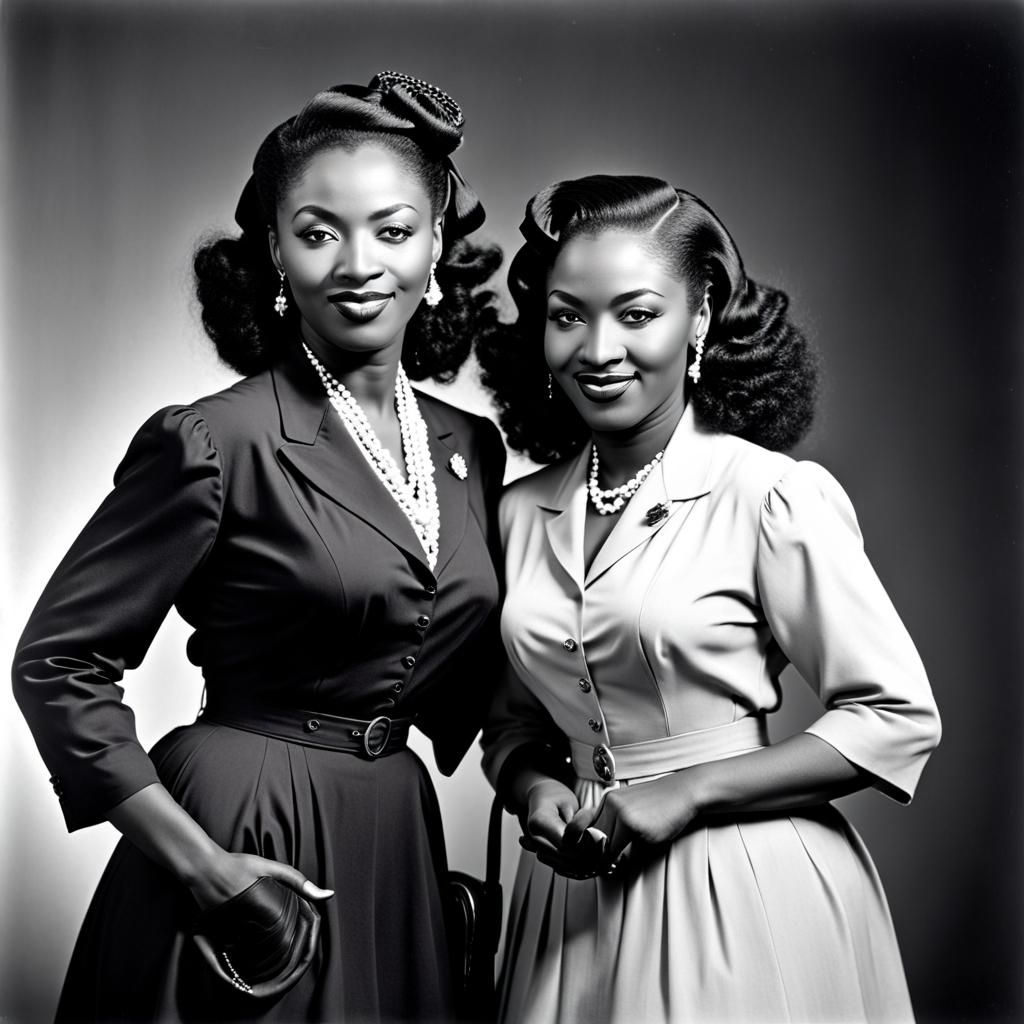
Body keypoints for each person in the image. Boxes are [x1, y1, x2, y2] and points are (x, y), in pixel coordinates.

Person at [13, 72, 506, 1024]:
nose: (358, 263)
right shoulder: (213, 440)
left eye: (393, 230)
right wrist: (203, 869)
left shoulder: (466, 449)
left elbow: (483, 668)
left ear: (437, 243)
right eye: (319, 232)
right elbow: (57, 663)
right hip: (246, 835)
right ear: (276, 252)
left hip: (394, 833)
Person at [476, 175, 941, 1023]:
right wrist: (534, 791)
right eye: (567, 315)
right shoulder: (519, 510)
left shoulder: (769, 495)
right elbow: (513, 723)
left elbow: (896, 716)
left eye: (637, 313)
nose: (598, 348)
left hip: (739, 886)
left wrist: (687, 792)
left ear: (700, 320)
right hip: (571, 902)